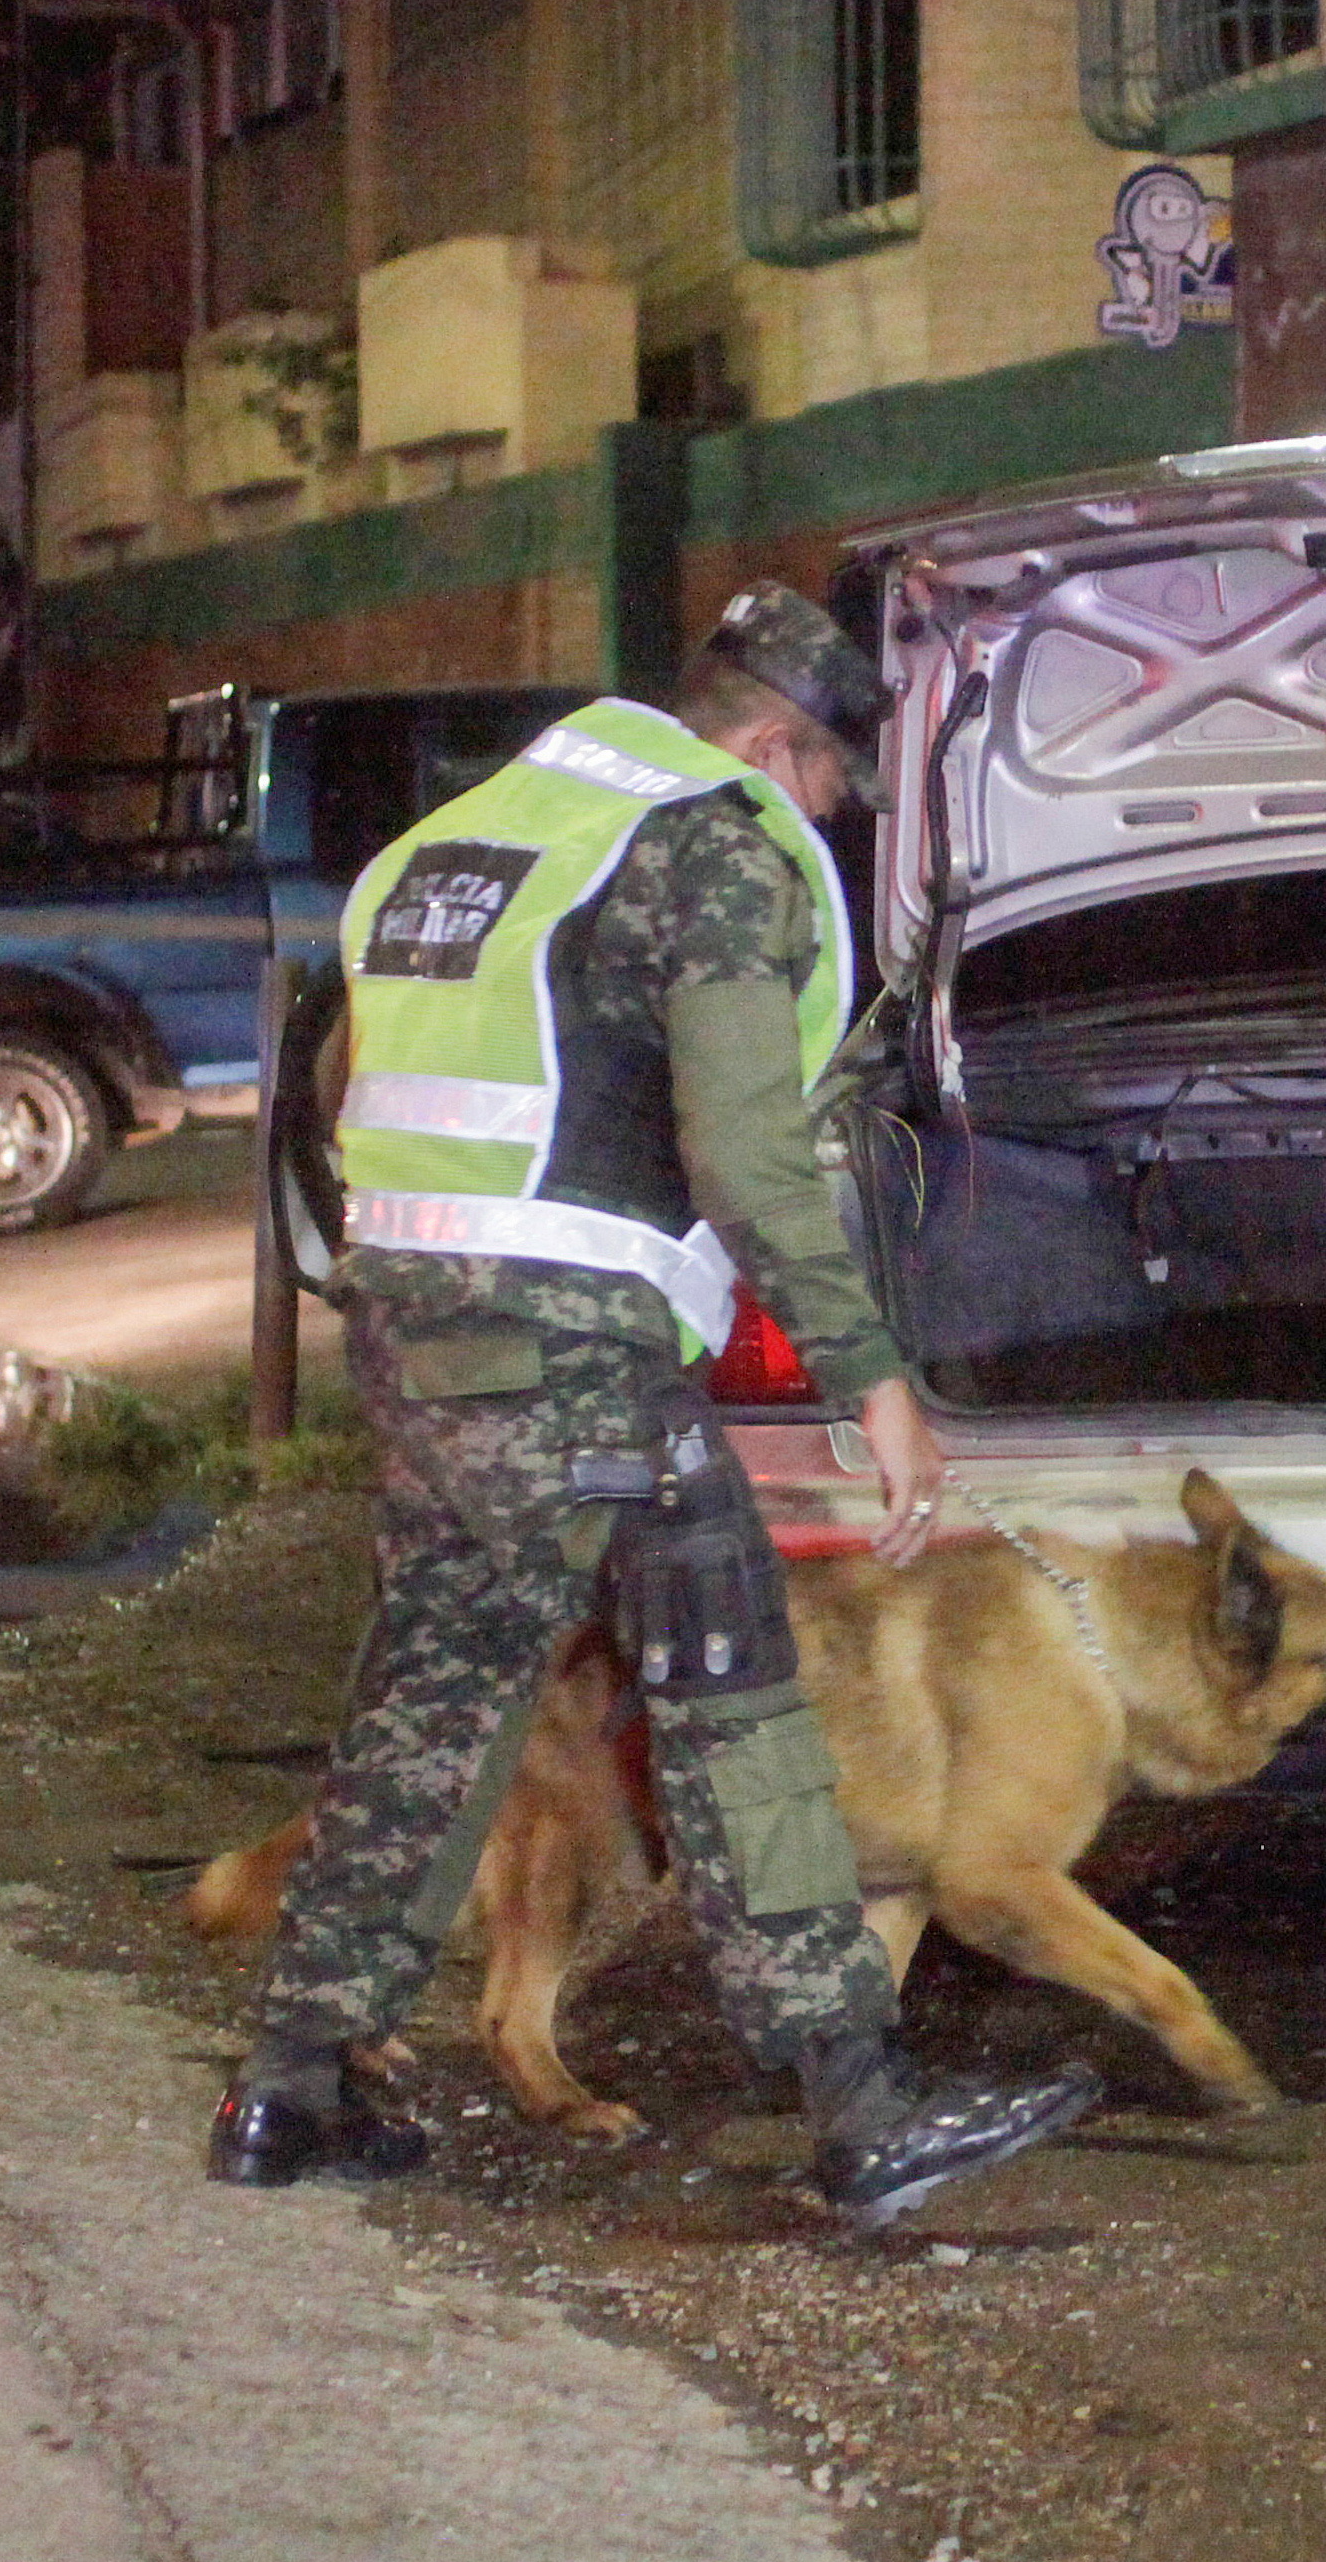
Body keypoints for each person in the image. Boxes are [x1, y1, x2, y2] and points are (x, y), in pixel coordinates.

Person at [218, 583, 1102, 2234]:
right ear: (774, 743)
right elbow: (748, 1152)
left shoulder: (467, 838)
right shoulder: (706, 848)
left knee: (434, 1696)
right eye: (831, 783)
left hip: (415, 1334)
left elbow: (344, 1095)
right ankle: (862, 2100)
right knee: (735, 1688)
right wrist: (873, 1379)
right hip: (581, 1351)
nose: (825, 815)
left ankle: (290, 2082)